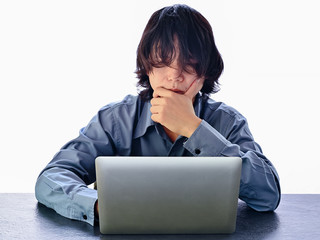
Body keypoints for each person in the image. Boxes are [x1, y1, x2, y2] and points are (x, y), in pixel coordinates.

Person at [35, 4, 281, 226]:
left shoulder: (227, 121)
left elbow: (268, 195)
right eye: (163, 62)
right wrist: (100, 205)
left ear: (206, 71)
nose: (174, 76)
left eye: (188, 64)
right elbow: (52, 177)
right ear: (147, 67)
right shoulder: (116, 120)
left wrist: (194, 128)